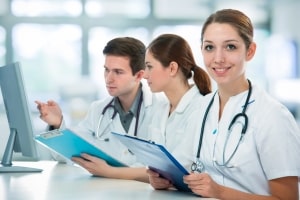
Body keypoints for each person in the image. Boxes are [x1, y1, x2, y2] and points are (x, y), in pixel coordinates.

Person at [182, 9, 300, 199]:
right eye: (210, 47)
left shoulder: (273, 116)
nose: (218, 58)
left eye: (230, 47)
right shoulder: (202, 107)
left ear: (250, 51)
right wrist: (168, 180)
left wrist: (219, 192)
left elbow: (288, 199)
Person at [35, 37, 165, 182]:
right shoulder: (98, 109)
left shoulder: (161, 108)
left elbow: (164, 171)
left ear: (139, 75)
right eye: (106, 70)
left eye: (118, 72)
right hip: (106, 192)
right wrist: (57, 123)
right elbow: (67, 156)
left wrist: (109, 171)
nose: (109, 79)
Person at [143, 33, 211, 189]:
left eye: (150, 66)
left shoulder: (201, 108)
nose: (145, 74)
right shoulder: (160, 109)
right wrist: (155, 178)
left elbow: (189, 166)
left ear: (172, 68)